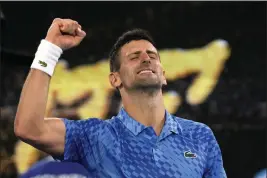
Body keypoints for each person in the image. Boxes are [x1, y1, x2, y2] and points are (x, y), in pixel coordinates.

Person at [14, 18, 227, 178]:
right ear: (115, 80)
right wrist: (50, 49)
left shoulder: (199, 136)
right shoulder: (95, 137)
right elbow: (29, 128)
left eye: (152, 56)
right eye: (134, 57)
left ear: (164, 75)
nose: (145, 59)